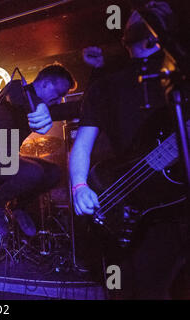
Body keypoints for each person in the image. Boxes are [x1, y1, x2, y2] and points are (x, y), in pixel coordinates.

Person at [69, 1, 189, 299]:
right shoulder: (106, 86)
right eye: (137, 14)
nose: (143, 9)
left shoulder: (182, 76)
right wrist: (80, 186)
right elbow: (81, 144)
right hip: (136, 208)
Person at [0, 64, 76, 237]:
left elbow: (67, 109)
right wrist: (39, 105)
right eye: (59, 94)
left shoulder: (40, 105)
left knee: (54, 172)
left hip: (7, 161)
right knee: (33, 171)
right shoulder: (14, 88)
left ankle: (18, 207)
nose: (59, 100)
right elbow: (17, 98)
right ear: (45, 84)